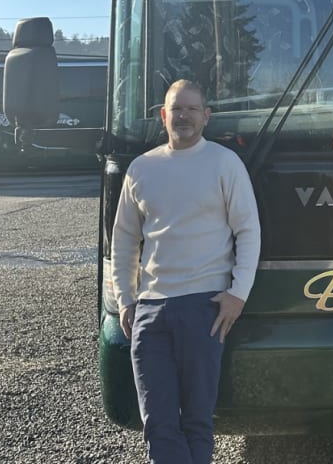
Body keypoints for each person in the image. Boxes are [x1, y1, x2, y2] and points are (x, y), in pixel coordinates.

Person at [110, 79, 261, 464]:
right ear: (164, 115)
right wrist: (127, 300)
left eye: (192, 109)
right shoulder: (141, 169)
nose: (184, 116)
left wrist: (237, 295)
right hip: (150, 310)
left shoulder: (225, 164)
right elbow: (125, 239)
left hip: (204, 308)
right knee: (158, 424)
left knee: (197, 421)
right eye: (176, 109)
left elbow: (248, 230)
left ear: (206, 117)